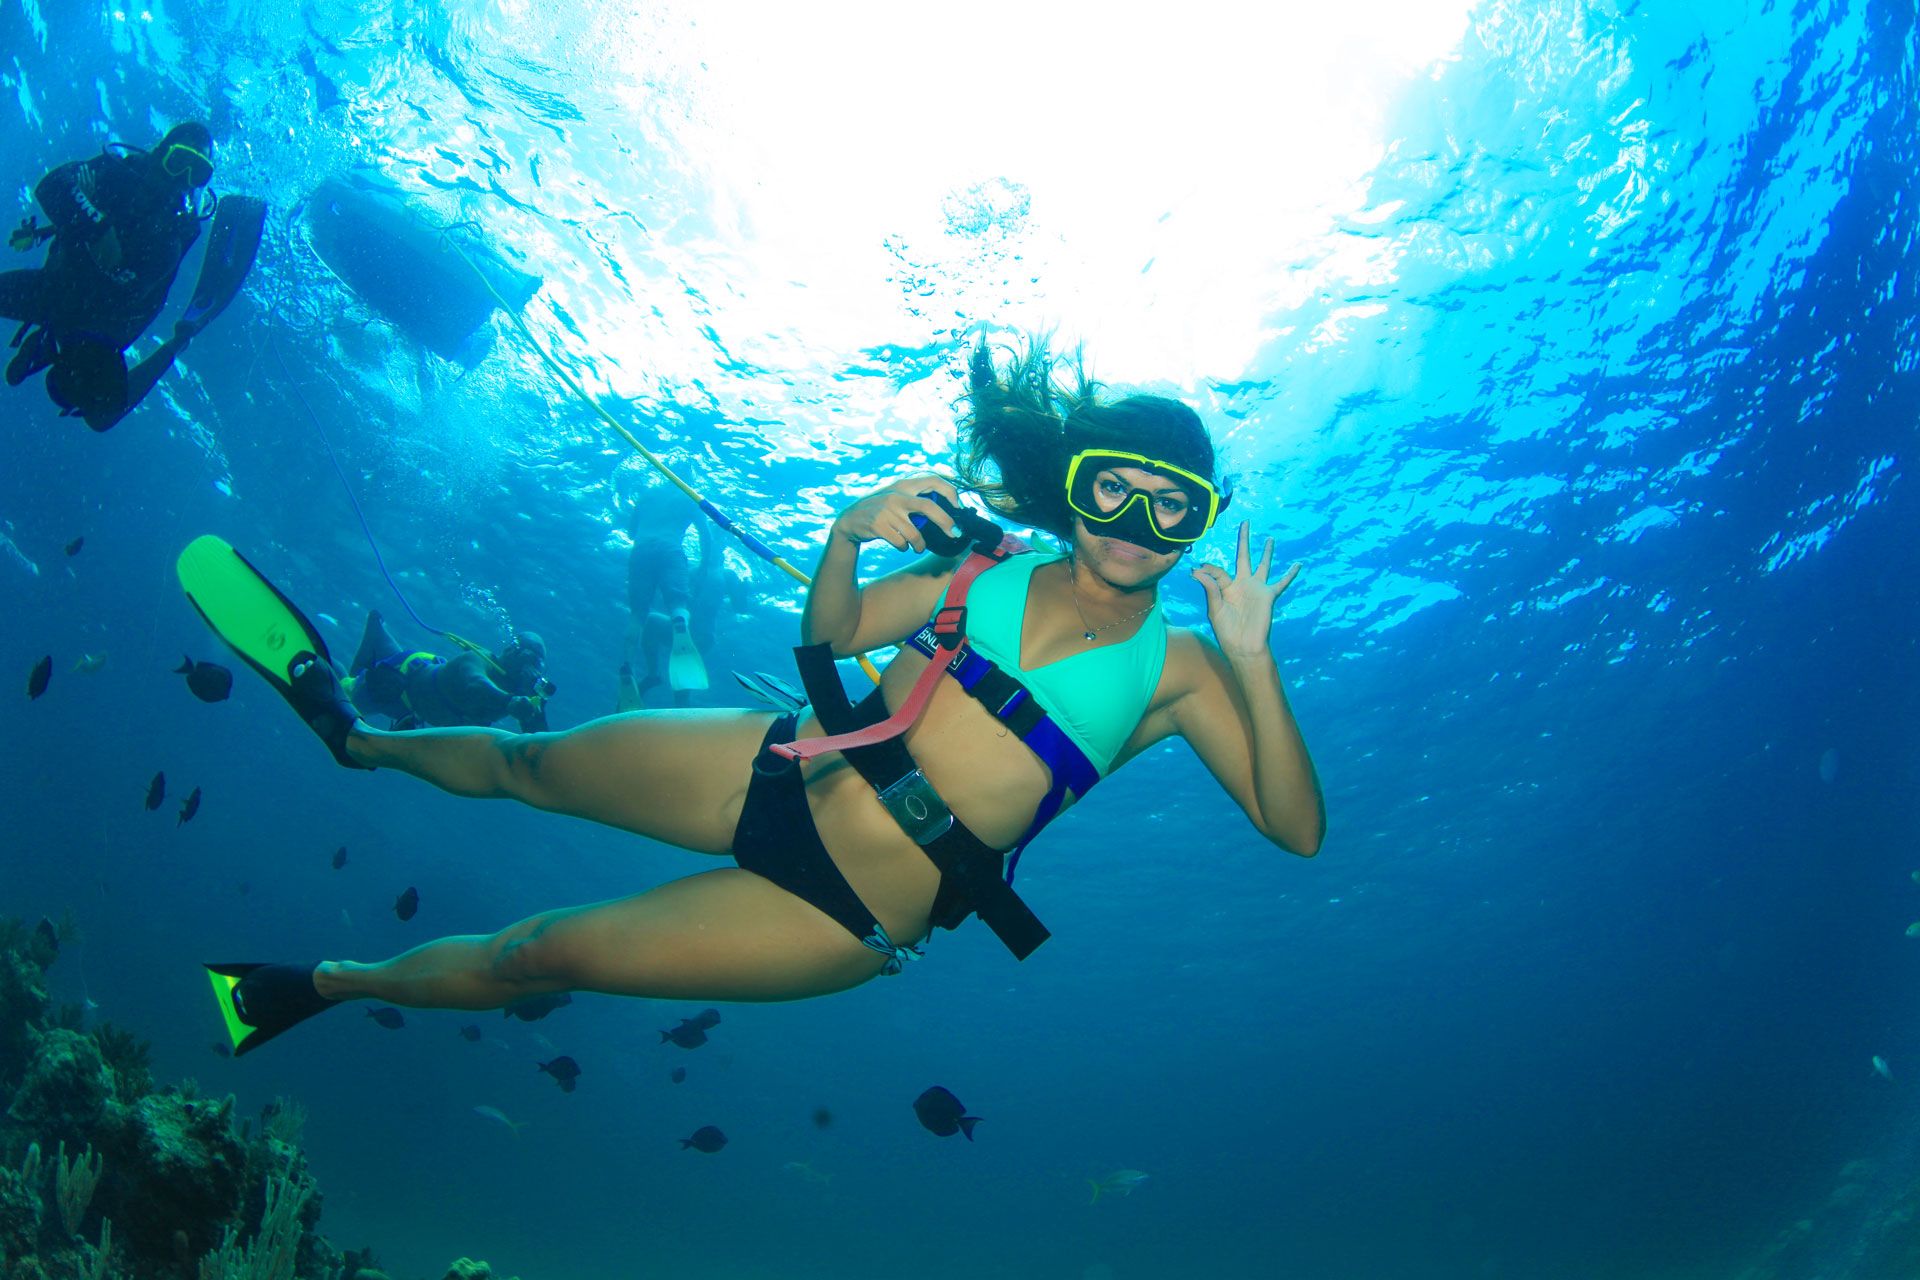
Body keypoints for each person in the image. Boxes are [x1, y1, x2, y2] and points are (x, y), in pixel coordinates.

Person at [189, 337, 1325, 1056]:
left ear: (1202, 519)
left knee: (541, 953)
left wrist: (1253, 658)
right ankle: (359, 738)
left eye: (1170, 506)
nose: (1134, 523)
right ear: (1068, 491)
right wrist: (848, 530)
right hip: (775, 761)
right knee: (529, 762)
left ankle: (325, 985)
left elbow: (1298, 830)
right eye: (1109, 487)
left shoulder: (1183, 670)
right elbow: (828, 635)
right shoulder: (981, 565)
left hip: (843, 916)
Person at [2, 123, 262, 432]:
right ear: (158, 154)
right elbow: (53, 184)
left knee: (98, 411)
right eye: (178, 162)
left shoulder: (174, 235)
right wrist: (98, 230)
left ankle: (169, 346)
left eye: (197, 173)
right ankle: (47, 344)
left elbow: (135, 289)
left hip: (100, 327)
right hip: (57, 290)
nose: (183, 179)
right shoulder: (115, 174)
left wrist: (85, 216)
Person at [345, 611, 553, 733]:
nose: (530, 667)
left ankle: (379, 637)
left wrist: (537, 707)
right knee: (348, 697)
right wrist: (509, 701)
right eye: (528, 657)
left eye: (537, 662)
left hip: (413, 710)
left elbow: (537, 740)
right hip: (401, 679)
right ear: (510, 651)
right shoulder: (481, 658)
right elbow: (475, 683)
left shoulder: (524, 693)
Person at [618, 509, 738, 710]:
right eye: (715, 540)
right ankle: (653, 674)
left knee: (681, 688)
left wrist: (741, 588)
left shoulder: (728, 575)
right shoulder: (690, 571)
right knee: (652, 621)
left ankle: (682, 715)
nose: (716, 545)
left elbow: (739, 607)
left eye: (720, 541)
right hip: (682, 631)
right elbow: (674, 599)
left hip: (703, 636)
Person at [617, 465, 710, 704]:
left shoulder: (648, 494)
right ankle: (680, 623)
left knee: (638, 613)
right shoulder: (690, 496)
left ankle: (628, 662)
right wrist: (703, 566)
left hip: (641, 551)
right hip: (670, 549)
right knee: (678, 600)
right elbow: (705, 535)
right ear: (688, 477)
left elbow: (630, 532)